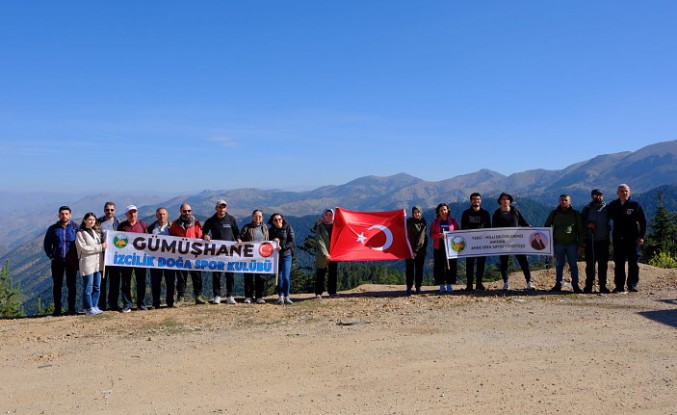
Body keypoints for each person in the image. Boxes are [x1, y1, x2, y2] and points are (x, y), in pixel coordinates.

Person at [492, 192, 536, 291]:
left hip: (517, 241)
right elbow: (493, 228)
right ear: (500, 201)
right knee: (504, 262)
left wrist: (529, 227)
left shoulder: (515, 211)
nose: (505, 200)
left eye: (507, 199)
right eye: (503, 199)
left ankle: (529, 282)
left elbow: (523, 222)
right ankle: (506, 283)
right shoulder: (497, 213)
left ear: (510, 201)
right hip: (503, 242)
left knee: (523, 261)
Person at [608, 184, 647, 293]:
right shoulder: (613, 205)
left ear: (629, 192)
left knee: (633, 262)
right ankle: (619, 286)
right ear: (617, 193)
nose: (624, 193)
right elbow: (606, 218)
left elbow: (643, 221)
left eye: (626, 191)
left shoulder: (635, 205)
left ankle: (632, 285)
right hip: (618, 239)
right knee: (619, 263)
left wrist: (641, 236)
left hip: (632, 239)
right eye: (621, 191)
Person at [202, 199, 240, 304]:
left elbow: (237, 232)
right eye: (220, 207)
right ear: (216, 208)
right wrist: (205, 235)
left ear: (226, 208)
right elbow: (204, 231)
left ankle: (230, 295)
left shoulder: (231, 219)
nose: (221, 209)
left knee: (230, 275)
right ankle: (217, 296)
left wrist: (238, 238)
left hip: (229, 251)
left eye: (223, 207)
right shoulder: (211, 220)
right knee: (216, 275)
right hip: (216, 252)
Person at [43, 206, 79, 316]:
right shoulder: (53, 228)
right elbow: (47, 244)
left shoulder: (76, 227)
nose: (64, 216)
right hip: (57, 261)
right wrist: (51, 256)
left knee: (71, 285)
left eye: (66, 214)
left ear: (70, 215)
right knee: (57, 285)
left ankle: (71, 309)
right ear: (59, 215)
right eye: (62, 214)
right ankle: (57, 310)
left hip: (71, 261)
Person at [544, 194, 584, 293]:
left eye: (566, 200)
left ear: (570, 202)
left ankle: (575, 286)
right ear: (559, 201)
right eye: (562, 200)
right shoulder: (554, 213)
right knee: (559, 265)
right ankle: (558, 284)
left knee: (573, 265)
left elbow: (580, 230)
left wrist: (581, 244)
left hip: (572, 244)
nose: (564, 202)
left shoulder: (575, 214)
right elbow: (546, 226)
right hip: (558, 244)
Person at [169, 203, 207, 305]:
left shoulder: (196, 223)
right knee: (181, 277)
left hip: (194, 255)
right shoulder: (175, 224)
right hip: (181, 256)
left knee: (197, 276)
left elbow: (200, 237)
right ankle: (181, 298)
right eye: (185, 211)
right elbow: (170, 239)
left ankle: (198, 297)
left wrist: (206, 237)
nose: (187, 213)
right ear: (180, 211)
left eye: (189, 211)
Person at [117, 205, 149, 312]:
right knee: (126, 282)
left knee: (141, 281)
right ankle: (127, 304)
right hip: (126, 259)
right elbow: (117, 242)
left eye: (134, 212)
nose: (133, 214)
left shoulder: (143, 225)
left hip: (140, 258)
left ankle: (141, 303)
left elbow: (148, 241)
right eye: (130, 213)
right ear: (126, 214)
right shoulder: (122, 226)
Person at [75, 212, 106, 316]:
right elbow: (84, 249)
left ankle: (94, 306)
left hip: (98, 263)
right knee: (88, 286)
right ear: (85, 221)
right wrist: (100, 247)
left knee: (97, 286)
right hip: (87, 263)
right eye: (89, 219)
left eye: (93, 220)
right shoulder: (80, 233)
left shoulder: (96, 232)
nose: (91, 221)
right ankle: (88, 308)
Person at [580, 189, 611, 293]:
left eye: (599, 195)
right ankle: (588, 286)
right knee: (590, 265)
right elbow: (581, 223)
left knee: (603, 265)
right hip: (590, 240)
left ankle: (603, 286)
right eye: (595, 195)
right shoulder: (587, 209)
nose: (598, 197)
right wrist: (588, 225)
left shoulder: (608, 208)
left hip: (604, 241)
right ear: (592, 196)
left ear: (602, 195)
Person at [461, 193, 491, 291]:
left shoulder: (485, 213)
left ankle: (479, 283)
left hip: (482, 242)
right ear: (470, 201)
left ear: (480, 201)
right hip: (469, 242)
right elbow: (463, 228)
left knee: (481, 263)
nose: (476, 201)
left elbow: (489, 228)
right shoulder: (466, 213)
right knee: (469, 264)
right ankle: (469, 284)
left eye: (478, 199)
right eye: (474, 199)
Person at [148, 207, 176, 308]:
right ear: (156, 215)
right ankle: (156, 303)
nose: (162, 216)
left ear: (167, 215)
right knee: (155, 281)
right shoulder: (151, 228)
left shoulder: (173, 227)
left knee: (170, 281)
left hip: (170, 260)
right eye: (160, 214)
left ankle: (170, 302)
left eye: (164, 214)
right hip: (155, 259)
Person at [240, 209, 269, 304]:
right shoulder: (247, 227)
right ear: (252, 217)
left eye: (260, 216)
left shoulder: (264, 227)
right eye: (256, 216)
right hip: (249, 256)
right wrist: (239, 240)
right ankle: (248, 296)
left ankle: (259, 296)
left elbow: (268, 240)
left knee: (260, 277)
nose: (258, 218)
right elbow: (241, 237)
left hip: (261, 256)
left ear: (262, 218)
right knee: (248, 276)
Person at [430, 203, 459, 294]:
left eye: (445, 210)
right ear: (438, 212)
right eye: (441, 210)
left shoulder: (453, 221)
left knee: (451, 265)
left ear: (448, 211)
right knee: (439, 266)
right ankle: (442, 285)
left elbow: (458, 232)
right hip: (439, 246)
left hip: (451, 247)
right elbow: (431, 234)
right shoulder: (435, 222)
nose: (443, 212)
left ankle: (450, 284)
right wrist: (439, 235)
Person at [97, 202, 120, 311]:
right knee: (102, 281)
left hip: (115, 256)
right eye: (107, 210)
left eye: (111, 210)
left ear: (114, 211)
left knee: (115, 281)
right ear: (104, 210)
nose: (109, 212)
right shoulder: (98, 222)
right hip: (101, 255)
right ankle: (101, 305)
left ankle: (113, 304)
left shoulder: (118, 222)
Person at [268, 213, 295, 304]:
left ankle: (286, 296)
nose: (278, 221)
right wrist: (272, 241)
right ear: (272, 222)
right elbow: (267, 243)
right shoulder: (271, 230)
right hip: (276, 256)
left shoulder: (288, 227)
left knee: (285, 277)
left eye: (279, 219)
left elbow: (291, 241)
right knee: (278, 277)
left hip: (286, 255)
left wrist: (282, 247)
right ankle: (281, 297)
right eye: (275, 220)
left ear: (282, 219)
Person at [313, 209, 338, 299]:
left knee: (333, 273)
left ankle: (332, 292)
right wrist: (325, 254)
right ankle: (318, 292)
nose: (328, 216)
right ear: (323, 215)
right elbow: (320, 240)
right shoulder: (320, 226)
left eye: (330, 214)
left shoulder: (335, 226)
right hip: (322, 254)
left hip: (334, 253)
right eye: (326, 214)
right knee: (321, 273)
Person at [405, 205, 427, 295]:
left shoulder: (423, 223)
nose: (416, 214)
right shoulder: (409, 222)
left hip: (420, 251)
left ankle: (418, 287)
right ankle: (409, 287)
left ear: (420, 213)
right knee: (409, 270)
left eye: (418, 212)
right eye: (415, 212)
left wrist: (416, 250)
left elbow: (421, 237)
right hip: (409, 250)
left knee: (419, 269)